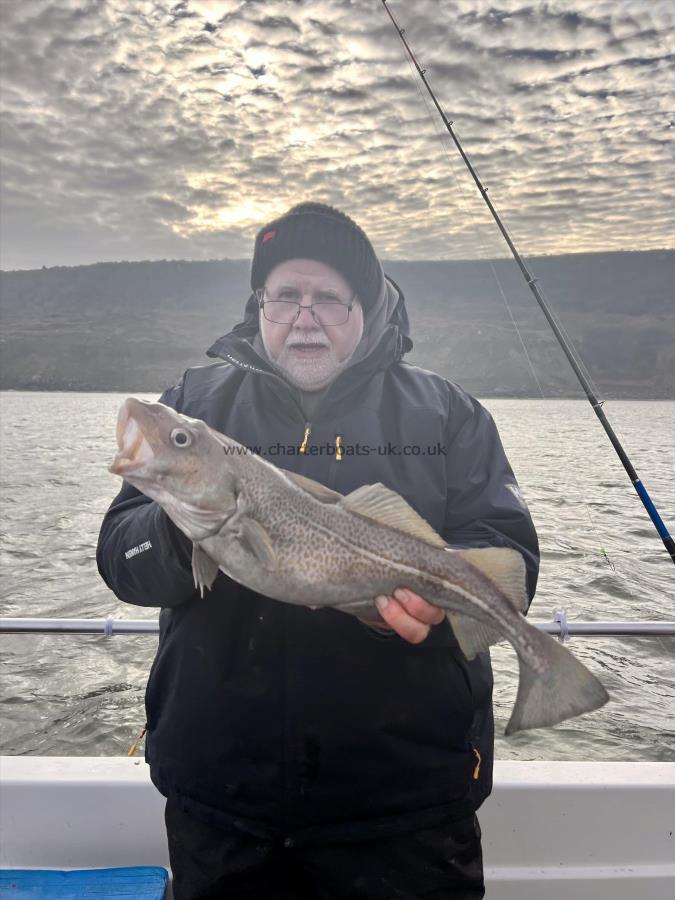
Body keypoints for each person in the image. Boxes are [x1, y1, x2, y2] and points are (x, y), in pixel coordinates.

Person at [97, 202, 539, 899]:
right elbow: (119, 560)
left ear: (366, 308)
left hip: (403, 808)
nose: (304, 316)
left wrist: (421, 616)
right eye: (285, 296)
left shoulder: (446, 414)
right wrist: (180, 532)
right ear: (259, 306)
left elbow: (506, 553)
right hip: (222, 802)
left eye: (328, 298)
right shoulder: (195, 402)